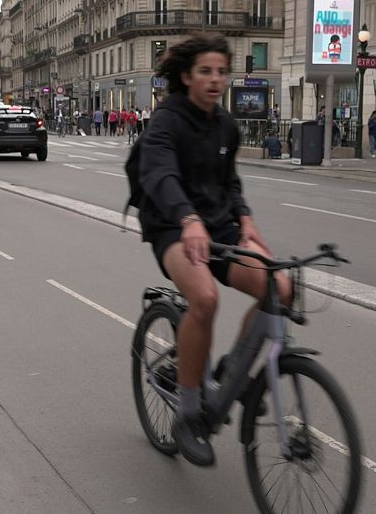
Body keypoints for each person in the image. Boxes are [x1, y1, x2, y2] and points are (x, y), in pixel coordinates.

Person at [137, 32, 289, 467]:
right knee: (204, 298)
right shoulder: (167, 120)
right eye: (206, 71)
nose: (215, 80)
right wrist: (187, 220)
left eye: (221, 72)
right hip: (171, 226)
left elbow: (230, 183)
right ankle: (188, 414)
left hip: (219, 228)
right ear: (186, 76)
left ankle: (230, 373)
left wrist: (246, 219)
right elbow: (160, 175)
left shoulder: (226, 125)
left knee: (280, 287)